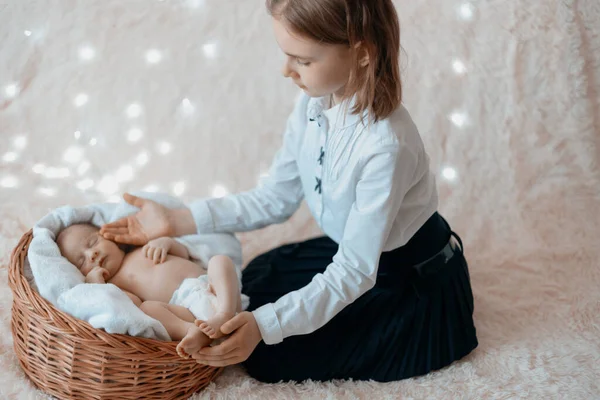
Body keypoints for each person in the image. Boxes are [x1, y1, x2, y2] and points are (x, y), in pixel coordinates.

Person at [101, 0, 478, 383]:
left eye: (302, 61)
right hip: (355, 252)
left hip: (405, 278)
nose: (286, 71)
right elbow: (275, 198)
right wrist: (176, 221)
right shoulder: (313, 105)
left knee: (268, 355)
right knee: (256, 278)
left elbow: (354, 271)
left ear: (362, 53)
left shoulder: (387, 147)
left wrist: (264, 326)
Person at [56, 223, 243, 357]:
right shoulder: (114, 285)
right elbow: (131, 307)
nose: (92, 254)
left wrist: (166, 243)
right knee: (148, 309)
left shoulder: (142, 247)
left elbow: (184, 253)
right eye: (81, 261)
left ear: (108, 237)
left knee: (219, 261)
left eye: (92, 243)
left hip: (211, 288)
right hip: (186, 311)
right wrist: (98, 287)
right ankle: (190, 332)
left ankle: (225, 313)